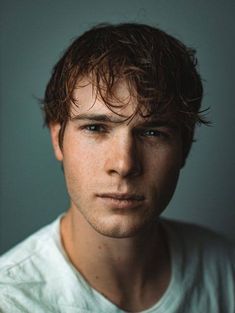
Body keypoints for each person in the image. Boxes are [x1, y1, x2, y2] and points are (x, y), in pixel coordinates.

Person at [0, 23, 234, 313]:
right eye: (96, 128)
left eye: (152, 133)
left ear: (184, 147)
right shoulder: (10, 300)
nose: (124, 165)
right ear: (57, 140)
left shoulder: (224, 269)